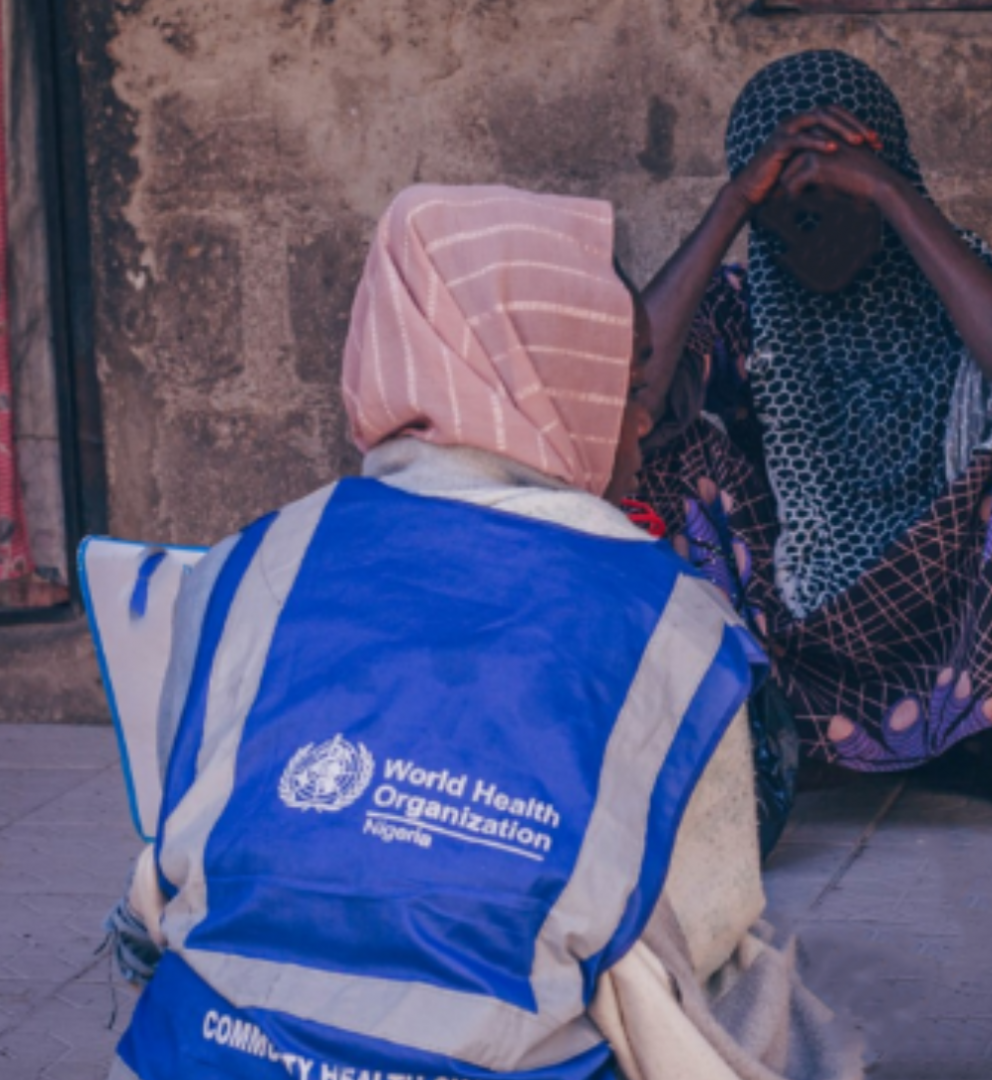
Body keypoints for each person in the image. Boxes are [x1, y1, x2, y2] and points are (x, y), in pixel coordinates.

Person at [104, 185, 860, 1080]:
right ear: (545, 388)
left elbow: (199, 825)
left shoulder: (253, 558)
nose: (646, 419)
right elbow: (706, 912)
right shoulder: (667, 611)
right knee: (745, 979)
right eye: (623, 386)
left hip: (203, 1056)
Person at [631, 50, 992, 831]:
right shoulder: (740, 307)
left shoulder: (959, 288)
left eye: (837, 188)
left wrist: (894, 194)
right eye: (784, 199)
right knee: (655, 464)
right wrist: (728, 206)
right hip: (796, 641)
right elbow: (630, 401)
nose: (810, 218)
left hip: (957, 624)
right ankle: (751, 742)